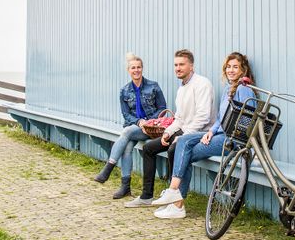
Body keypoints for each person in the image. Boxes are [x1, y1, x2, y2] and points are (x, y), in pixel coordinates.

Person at [150, 52, 256, 219]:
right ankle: (174, 198)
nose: (231, 70)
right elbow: (221, 118)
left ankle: (176, 201)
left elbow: (248, 118)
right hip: (219, 135)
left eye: (235, 67)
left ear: (243, 69)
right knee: (183, 141)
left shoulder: (244, 89)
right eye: (228, 67)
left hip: (233, 140)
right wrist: (210, 132)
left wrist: (220, 133)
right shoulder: (228, 88)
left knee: (184, 151)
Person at [124, 49, 215, 210]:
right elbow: (179, 118)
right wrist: (168, 132)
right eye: (175, 65)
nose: (178, 68)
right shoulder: (181, 89)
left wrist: (183, 136)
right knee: (148, 148)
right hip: (185, 130)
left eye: (182, 64)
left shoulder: (202, 84)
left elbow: (204, 118)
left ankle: (174, 200)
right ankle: (147, 196)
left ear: (191, 66)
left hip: (201, 133)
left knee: (174, 148)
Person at [93, 53, 168, 199]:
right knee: (127, 147)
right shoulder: (124, 91)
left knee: (126, 132)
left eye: (139, 67)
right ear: (129, 70)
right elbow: (126, 114)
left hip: (152, 129)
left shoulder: (153, 86)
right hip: (136, 127)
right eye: (133, 68)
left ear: (142, 69)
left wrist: (149, 121)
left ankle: (108, 168)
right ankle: (125, 187)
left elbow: (162, 108)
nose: (136, 70)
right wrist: (139, 122)